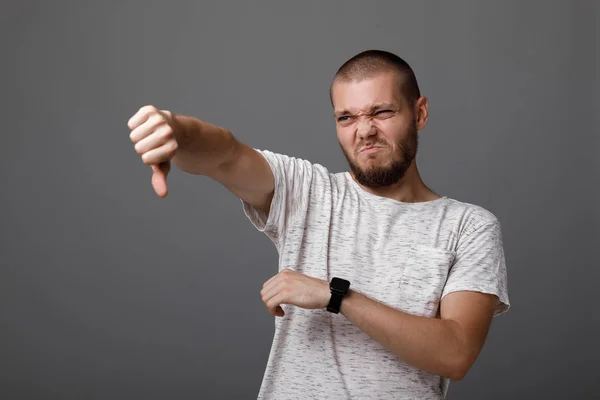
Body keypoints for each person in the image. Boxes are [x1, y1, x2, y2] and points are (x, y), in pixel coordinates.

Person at [127, 49, 510, 399]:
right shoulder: (307, 191)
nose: (364, 131)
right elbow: (226, 155)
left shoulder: (468, 226)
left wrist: (336, 296)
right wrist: (178, 132)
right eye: (347, 117)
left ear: (420, 113)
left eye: (382, 112)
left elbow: (456, 353)